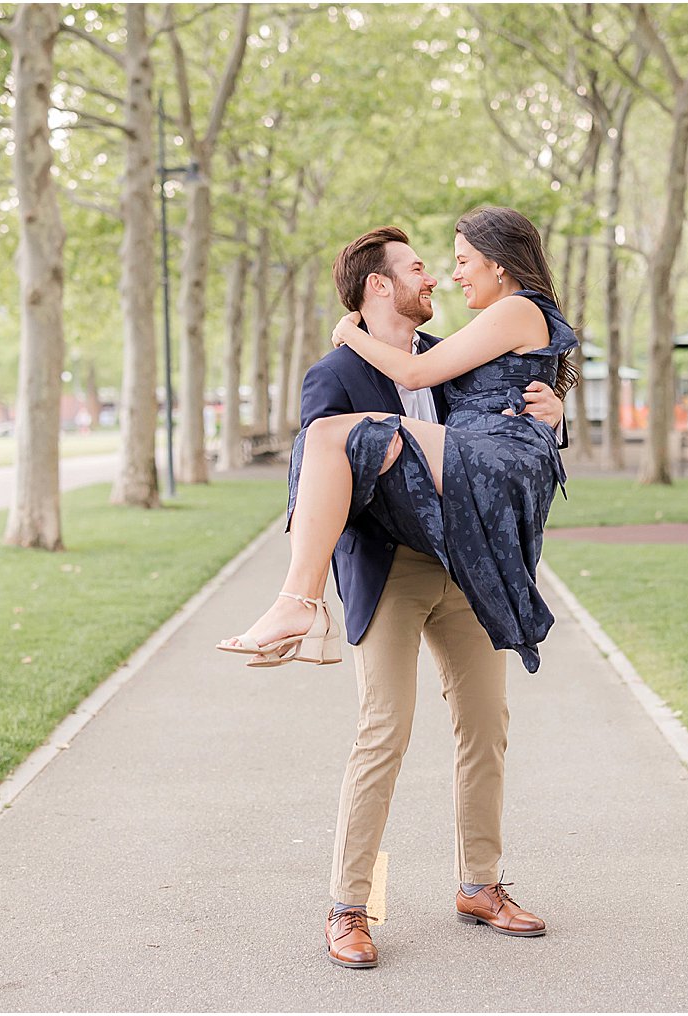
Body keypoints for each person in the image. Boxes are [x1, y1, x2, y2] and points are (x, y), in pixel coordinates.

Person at [218, 210, 575, 968]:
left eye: (443, 264)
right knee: (384, 735)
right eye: (419, 268)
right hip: (391, 569)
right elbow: (320, 477)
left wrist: (558, 413)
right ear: (380, 285)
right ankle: (353, 906)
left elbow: (514, 412)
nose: (435, 278)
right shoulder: (336, 373)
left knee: (487, 726)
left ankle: (482, 885)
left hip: (465, 562)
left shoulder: (455, 356)